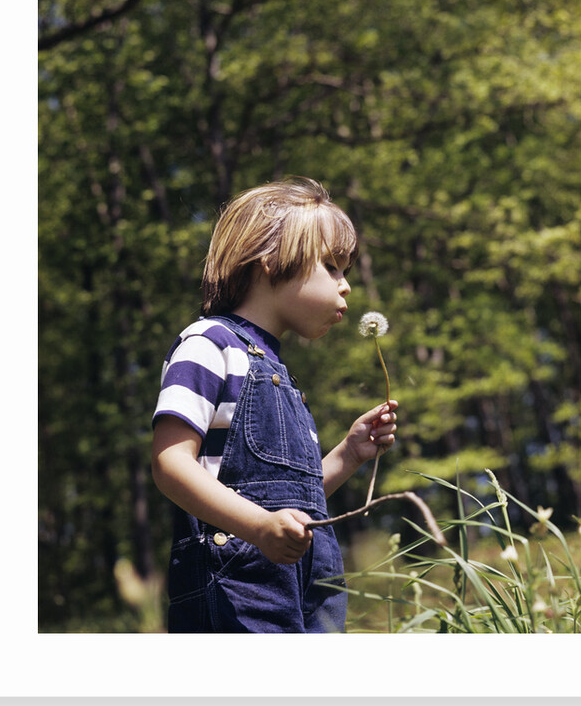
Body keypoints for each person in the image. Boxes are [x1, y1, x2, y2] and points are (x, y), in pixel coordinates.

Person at [151, 177, 398, 633]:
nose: (346, 287)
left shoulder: (282, 375)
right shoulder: (208, 345)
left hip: (310, 590)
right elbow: (171, 464)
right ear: (270, 262)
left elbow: (292, 500)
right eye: (331, 267)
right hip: (235, 590)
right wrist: (260, 529)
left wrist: (348, 453)